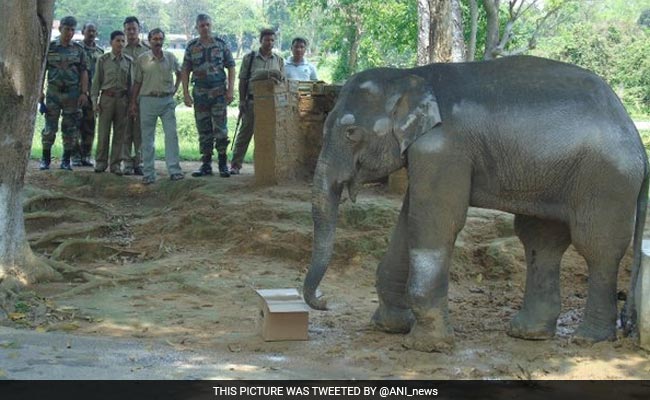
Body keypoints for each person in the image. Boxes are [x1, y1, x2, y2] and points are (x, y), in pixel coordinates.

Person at [181, 14, 236, 178]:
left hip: (218, 92)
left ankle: (222, 163)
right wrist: (185, 93)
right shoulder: (191, 46)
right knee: (203, 128)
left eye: (207, 25)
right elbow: (185, 70)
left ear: (211, 26)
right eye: (202, 26)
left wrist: (231, 90)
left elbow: (231, 67)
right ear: (197, 28)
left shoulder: (221, 44)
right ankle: (206, 164)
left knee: (220, 128)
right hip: (200, 93)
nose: (205, 28)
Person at [129, 28, 184, 185]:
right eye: (155, 39)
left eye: (160, 39)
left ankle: (174, 170)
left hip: (166, 101)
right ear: (149, 40)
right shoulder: (142, 59)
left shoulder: (170, 57)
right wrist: (133, 103)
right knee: (147, 138)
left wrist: (175, 89)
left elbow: (181, 73)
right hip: (147, 100)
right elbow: (137, 83)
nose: (158, 42)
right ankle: (148, 174)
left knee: (171, 135)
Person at [230, 28, 285, 175]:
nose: (270, 43)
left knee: (267, 136)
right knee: (245, 134)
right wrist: (242, 101)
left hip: (271, 105)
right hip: (252, 101)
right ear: (260, 41)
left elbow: (282, 82)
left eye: (272, 40)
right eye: (267, 40)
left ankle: (264, 167)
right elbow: (243, 80)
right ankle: (235, 165)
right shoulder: (250, 58)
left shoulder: (279, 60)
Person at [39, 16, 89, 171]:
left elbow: (84, 72)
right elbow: (42, 71)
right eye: (67, 29)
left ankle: (66, 160)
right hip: (53, 93)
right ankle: (45, 159)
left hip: (72, 95)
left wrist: (84, 93)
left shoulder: (78, 50)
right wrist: (39, 91)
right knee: (50, 128)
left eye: (73, 29)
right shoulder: (51, 47)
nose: (70, 33)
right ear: (60, 29)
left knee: (70, 128)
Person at [92, 31, 131, 175]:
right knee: (103, 133)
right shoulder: (103, 60)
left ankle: (115, 164)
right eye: (117, 41)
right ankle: (101, 163)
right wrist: (94, 101)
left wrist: (131, 103)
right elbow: (96, 82)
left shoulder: (128, 61)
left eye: (122, 41)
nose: (120, 44)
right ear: (111, 42)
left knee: (120, 134)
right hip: (106, 99)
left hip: (122, 100)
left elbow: (131, 84)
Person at [121, 16, 150, 176]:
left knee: (140, 131)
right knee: (125, 131)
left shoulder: (146, 50)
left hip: (141, 96)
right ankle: (127, 163)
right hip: (124, 97)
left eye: (134, 29)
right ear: (124, 31)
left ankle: (138, 162)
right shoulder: (120, 49)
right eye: (128, 29)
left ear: (139, 30)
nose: (131, 32)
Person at [72, 22, 104, 167]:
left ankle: (86, 155)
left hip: (93, 94)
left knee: (90, 125)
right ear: (83, 31)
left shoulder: (100, 52)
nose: (91, 33)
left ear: (97, 33)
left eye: (94, 31)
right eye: (88, 30)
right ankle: (75, 156)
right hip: (77, 93)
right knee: (74, 124)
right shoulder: (76, 49)